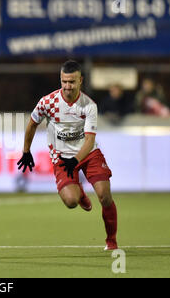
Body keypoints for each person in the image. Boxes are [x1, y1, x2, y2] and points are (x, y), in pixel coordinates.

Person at [17, 60, 118, 251]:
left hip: (88, 154)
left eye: (71, 82)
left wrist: (76, 160)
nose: (67, 86)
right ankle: (79, 193)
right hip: (61, 156)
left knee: (105, 196)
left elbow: (89, 140)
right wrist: (26, 151)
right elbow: (32, 124)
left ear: (81, 80)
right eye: (64, 81)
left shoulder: (88, 106)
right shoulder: (48, 102)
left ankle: (111, 241)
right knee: (71, 202)